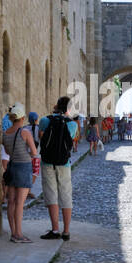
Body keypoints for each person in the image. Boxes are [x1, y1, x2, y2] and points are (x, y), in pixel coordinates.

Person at [38, 96, 78, 241]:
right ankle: (66, 231)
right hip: (64, 163)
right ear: (69, 108)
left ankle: (55, 229)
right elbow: (71, 141)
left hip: (47, 162)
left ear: (56, 106)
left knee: (51, 194)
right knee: (66, 195)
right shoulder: (72, 125)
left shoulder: (45, 120)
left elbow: (40, 137)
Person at [1, 103, 38, 243]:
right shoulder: (25, 132)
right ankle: (19, 234)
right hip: (23, 167)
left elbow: (8, 151)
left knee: (11, 202)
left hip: (11, 167)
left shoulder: (5, 134)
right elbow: (34, 153)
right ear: (22, 118)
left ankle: (13, 233)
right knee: (20, 203)